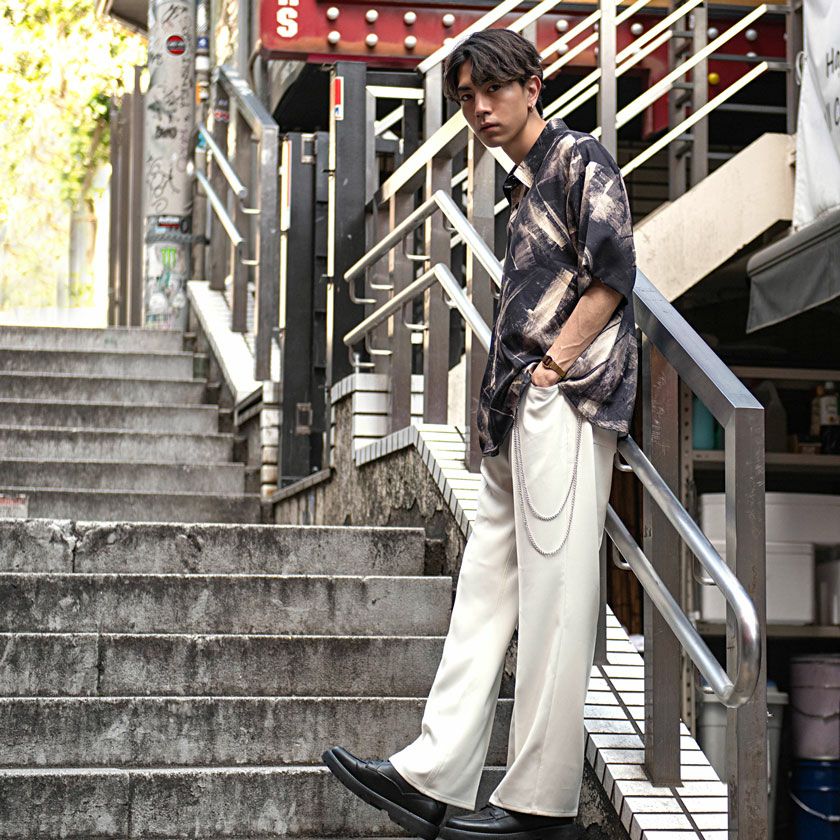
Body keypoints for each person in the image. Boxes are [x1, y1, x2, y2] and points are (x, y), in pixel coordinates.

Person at [323, 28, 638, 840]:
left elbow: (613, 273)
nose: (480, 108)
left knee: (556, 599)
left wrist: (553, 368)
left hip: (564, 401)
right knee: (483, 589)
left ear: (533, 85)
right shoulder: (520, 184)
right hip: (516, 409)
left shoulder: (578, 158)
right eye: (466, 97)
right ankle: (431, 775)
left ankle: (540, 803)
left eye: (493, 90)